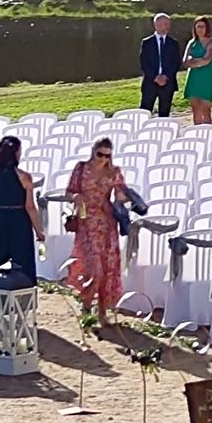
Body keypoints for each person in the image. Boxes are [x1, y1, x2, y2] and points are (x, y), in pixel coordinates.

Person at [67, 137, 127, 327]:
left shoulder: (114, 172)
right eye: (100, 154)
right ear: (93, 151)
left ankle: (102, 310)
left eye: (107, 156)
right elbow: (69, 191)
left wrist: (122, 198)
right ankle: (86, 304)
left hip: (107, 223)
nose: (103, 159)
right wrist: (76, 197)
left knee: (107, 268)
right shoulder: (81, 168)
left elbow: (120, 195)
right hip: (86, 222)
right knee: (94, 267)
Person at [0, 135, 40, 276]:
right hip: (19, 221)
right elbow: (30, 206)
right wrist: (39, 230)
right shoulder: (24, 177)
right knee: (22, 264)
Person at [138, 13, 183, 117]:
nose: (167, 27)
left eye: (168, 24)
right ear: (156, 25)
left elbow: (176, 62)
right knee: (145, 111)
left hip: (167, 82)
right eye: (165, 24)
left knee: (164, 112)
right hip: (150, 82)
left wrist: (165, 76)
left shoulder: (173, 43)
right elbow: (144, 62)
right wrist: (155, 77)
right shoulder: (147, 42)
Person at [182, 15, 212, 125]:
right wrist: (196, 62)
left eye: (202, 27)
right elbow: (185, 61)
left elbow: (207, 60)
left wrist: (193, 62)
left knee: (206, 109)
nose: (200, 29)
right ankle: (197, 130)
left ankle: (208, 131)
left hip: (206, 78)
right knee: (195, 109)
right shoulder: (192, 43)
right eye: (198, 26)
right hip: (193, 78)